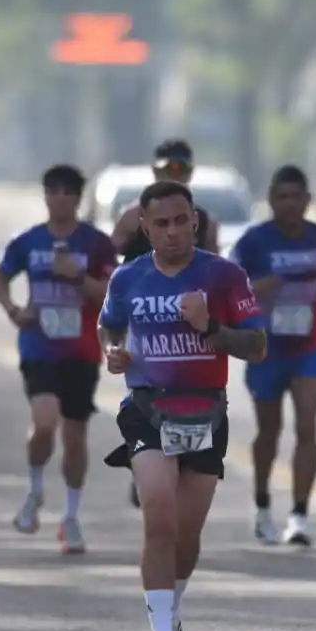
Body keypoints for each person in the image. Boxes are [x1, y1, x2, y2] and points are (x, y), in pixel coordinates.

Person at [98, 180, 266, 631]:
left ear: (194, 220)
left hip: (205, 414)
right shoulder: (129, 278)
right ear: (144, 227)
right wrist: (115, 351)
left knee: (188, 534)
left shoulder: (224, 276)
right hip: (148, 409)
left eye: (180, 221)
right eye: (161, 224)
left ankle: (172, 608)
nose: (172, 232)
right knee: (159, 514)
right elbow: (110, 325)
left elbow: (255, 346)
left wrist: (210, 327)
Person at [0, 164, 117, 554]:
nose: (60, 197)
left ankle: (71, 516)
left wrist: (77, 277)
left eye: (68, 191)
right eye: (53, 190)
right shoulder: (27, 241)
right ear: (44, 195)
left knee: (75, 437)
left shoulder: (96, 244)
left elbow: (111, 293)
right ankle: (33, 491)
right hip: (39, 345)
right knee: (44, 422)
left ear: (79, 198)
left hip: (80, 349)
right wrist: (13, 309)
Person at [111, 139, 220, 509]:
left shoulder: (205, 220)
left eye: (180, 170)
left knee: (187, 395)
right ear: (154, 171)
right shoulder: (132, 217)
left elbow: (216, 271)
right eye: (164, 170)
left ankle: (173, 464)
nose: (172, 175)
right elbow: (108, 262)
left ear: (190, 172)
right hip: (144, 316)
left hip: (187, 322)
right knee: (145, 390)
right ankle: (142, 458)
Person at [229, 165, 316, 546]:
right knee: (269, 430)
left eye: (296, 196)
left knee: (307, 424)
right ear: (271, 201)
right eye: (281, 197)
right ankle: (261, 505)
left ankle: (300, 515)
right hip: (266, 348)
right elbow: (230, 291)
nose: (289, 204)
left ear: (307, 200)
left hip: (309, 344)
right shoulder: (254, 242)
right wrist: (259, 287)